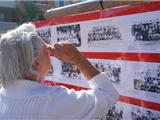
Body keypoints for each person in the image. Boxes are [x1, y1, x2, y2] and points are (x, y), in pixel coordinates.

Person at [0, 23, 119, 120]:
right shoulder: (50, 100)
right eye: (46, 52)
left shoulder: (3, 92)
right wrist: (78, 59)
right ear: (36, 64)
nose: (51, 56)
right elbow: (108, 95)